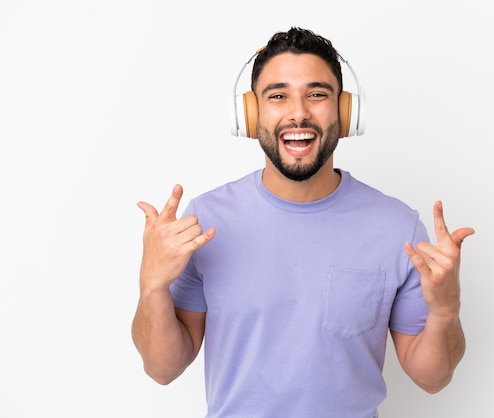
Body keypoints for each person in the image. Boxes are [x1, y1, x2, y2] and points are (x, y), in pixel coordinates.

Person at [131, 27, 475, 418]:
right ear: (249, 113)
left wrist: (446, 310)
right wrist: (152, 286)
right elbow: (163, 369)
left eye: (317, 94)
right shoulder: (204, 221)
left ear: (346, 112)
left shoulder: (398, 228)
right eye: (278, 96)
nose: (298, 112)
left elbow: (433, 378)